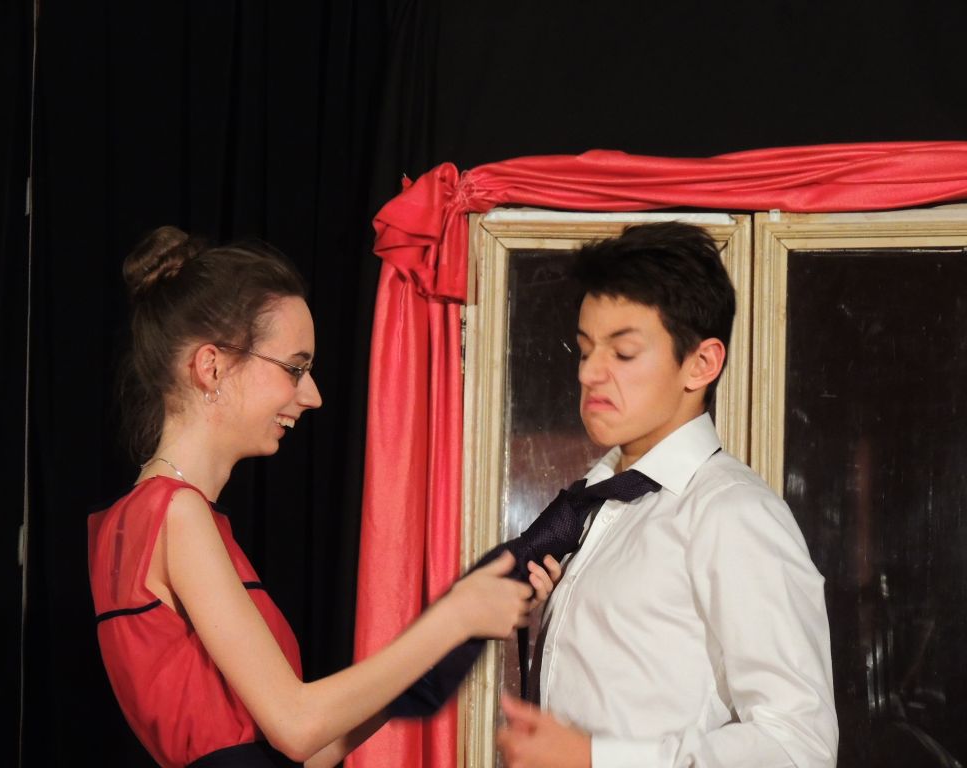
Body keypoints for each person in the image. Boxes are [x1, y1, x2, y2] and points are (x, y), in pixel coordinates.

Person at [87, 226, 559, 768]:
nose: (312, 395)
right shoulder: (177, 513)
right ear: (211, 366)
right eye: (295, 368)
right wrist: (453, 617)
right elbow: (298, 726)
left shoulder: (134, 520)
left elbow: (310, 748)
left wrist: (464, 630)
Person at [496, 222, 839, 768]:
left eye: (623, 352)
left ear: (701, 364)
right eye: (584, 349)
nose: (589, 373)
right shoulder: (597, 507)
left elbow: (798, 746)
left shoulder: (733, 513)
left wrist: (595, 759)